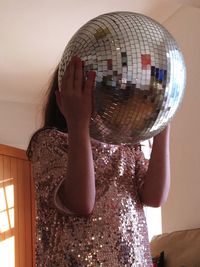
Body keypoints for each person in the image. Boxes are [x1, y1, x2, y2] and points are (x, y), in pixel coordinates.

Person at [27, 56, 170, 267]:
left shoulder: (127, 147)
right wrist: (78, 123)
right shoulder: (50, 141)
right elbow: (81, 203)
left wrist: (161, 125)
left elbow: (155, 197)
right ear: (63, 100)